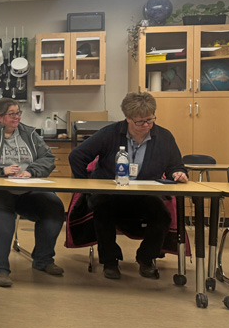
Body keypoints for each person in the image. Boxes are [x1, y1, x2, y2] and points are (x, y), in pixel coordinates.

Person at [68, 92, 188, 280]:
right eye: (140, 122)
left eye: (150, 120)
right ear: (128, 118)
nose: (147, 125)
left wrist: (177, 174)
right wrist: (86, 187)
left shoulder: (164, 137)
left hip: (145, 195)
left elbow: (176, 166)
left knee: (162, 215)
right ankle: (109, 261)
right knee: (102, 210)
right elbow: (76, 156)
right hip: (112, 194)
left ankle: (146, 258)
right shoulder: (110, 133)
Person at [0, 98, 66, 287]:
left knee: (54, 207)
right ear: (0, 117)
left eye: (18, 113)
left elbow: (48, 158)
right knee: (1, 214)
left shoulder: (29, 134)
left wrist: (32, 171)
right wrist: (0, 170)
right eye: (12, 114)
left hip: (29, 189)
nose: (17, 117)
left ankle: (43, 260)